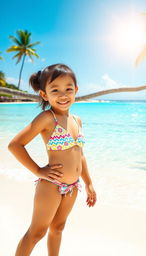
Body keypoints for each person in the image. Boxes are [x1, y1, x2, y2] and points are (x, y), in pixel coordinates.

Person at [8, 63, 97, 256]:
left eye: (68, 89)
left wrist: (88, 183)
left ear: (76, 91)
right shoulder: (47, 118)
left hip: (73, 186)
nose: (63, 95)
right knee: (36, 232)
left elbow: (80, 155)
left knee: (58, 229)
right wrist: (39, 171)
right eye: (55, 90)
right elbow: (15, 145)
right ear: (44, 94)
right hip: (51, 185)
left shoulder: (77, 120)